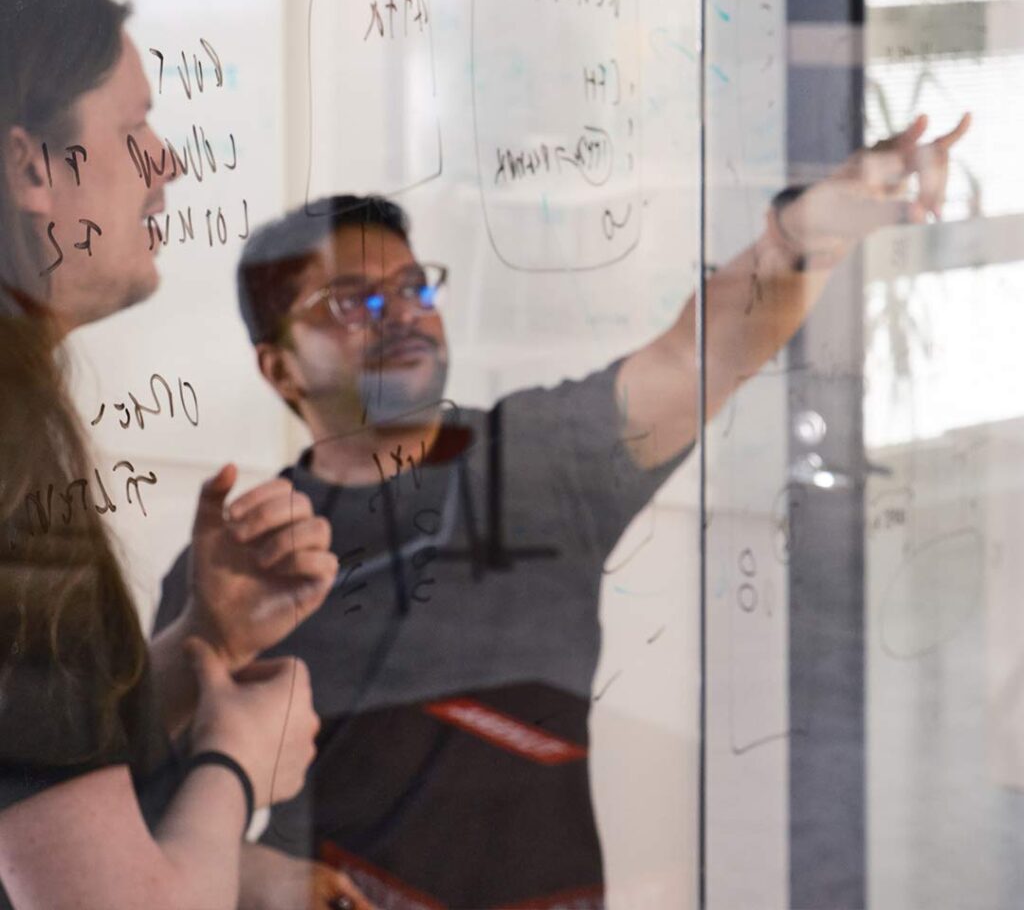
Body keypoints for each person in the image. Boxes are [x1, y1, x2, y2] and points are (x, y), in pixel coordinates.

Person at [155, 110, 969, 904]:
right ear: (280, 368)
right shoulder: (242, 558)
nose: (400, 312)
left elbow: (701, 353)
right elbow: (146, 801)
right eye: (350, 302)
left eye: (412, 286)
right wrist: (257, 876)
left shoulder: (535, 460)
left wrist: (802, 236)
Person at [0, 0, 374, 910]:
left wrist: (208, 641)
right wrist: (237, 760)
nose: (167, 163)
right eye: (134, 128)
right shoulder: (15, 469)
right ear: (30, 169)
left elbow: (25, 760)